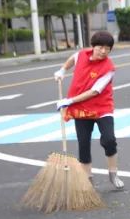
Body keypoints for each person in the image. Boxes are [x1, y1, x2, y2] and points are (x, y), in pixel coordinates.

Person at [53, 31, 125, 190]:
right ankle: (88, 178)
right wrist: (63, 70)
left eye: (107, 49)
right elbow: (73, 59)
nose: (103, 51)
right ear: (93, 47)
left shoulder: (109, 68)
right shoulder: (81, 55)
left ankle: (113, 174)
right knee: (83, 143)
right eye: (100, 48)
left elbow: (94, 91)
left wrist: (69, 101)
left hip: (102, 108)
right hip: (81, 109)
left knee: (109, 140)